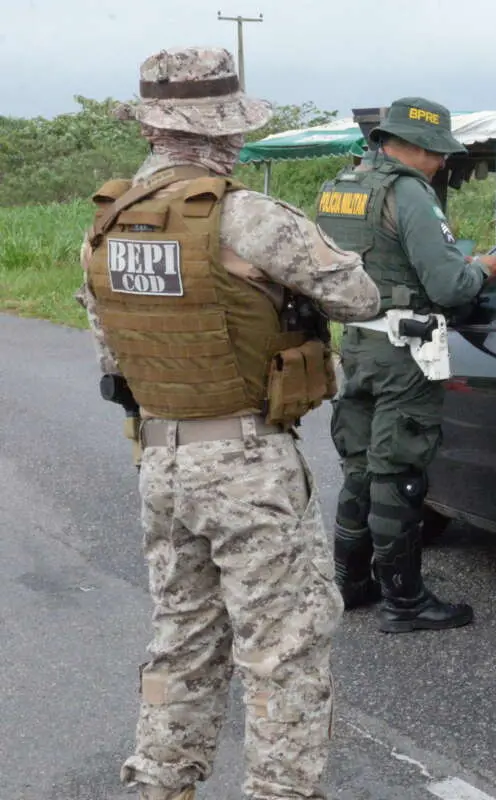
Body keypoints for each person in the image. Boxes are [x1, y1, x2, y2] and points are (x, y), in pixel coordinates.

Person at [75, 46, 381, 800]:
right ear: (225, 134)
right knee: (285, 649)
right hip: (246, 462)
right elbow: (360, 296)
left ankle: (160, 787)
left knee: (182, 641)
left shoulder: (105, 225)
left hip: (161, 458)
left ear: (153, 129)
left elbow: (108, 345)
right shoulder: (246, 215)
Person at [314, 97, 496, 633]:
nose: (442, 164)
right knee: (398, 472)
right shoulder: (409, 193)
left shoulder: (342, 187)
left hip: (356, 342)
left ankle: (349, 583)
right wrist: (483, 269)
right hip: (404, 350)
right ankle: (406, 601)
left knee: (361, 465)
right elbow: (447, 285)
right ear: (416, 147)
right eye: (438, 153)